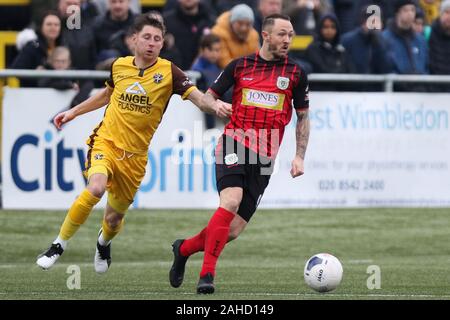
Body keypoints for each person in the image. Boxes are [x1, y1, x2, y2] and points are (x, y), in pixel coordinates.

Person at [36, 14, 229, 272]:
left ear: (162, 44)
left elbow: (199, 99)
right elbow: (107, 94)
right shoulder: (119, 66)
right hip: (106, 141)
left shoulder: (170, 72)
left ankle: (103, 243)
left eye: (157, 39)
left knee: (113, 219)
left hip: (135, 157)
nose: (151, 43)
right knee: (95, 188)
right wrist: (73, 112)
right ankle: (58, 245)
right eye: (146, 37)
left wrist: (215, 105)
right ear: (133, 40)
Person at [169, 13, 310, 294]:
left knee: (232, 230)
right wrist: (216, 106)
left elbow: (303, 117)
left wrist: (299, 156)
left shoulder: (295, 73)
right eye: (282, 34)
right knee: (230, 201)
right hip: (234, 143)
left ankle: (183, 249)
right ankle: (207, 275)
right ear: (266, 35)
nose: (288, 40)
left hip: (265, 156)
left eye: (291, 35)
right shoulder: (239, 66)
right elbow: (208, 97)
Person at [11, 11, 63, 87]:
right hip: (34, 93)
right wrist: (34, 75)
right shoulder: (32, 46)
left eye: (56, 25)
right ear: (41, 27)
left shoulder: (64, 45)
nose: (53, 27)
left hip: (61, 94)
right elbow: (16, 69)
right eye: (49, 24)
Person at [211, 3, 260, 69]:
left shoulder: (254, 35)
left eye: (248, 24)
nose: (244, 28)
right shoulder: (218, 33)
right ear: (232, 22)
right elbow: (224, 63)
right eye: (240, 23)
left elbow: (258, 61)